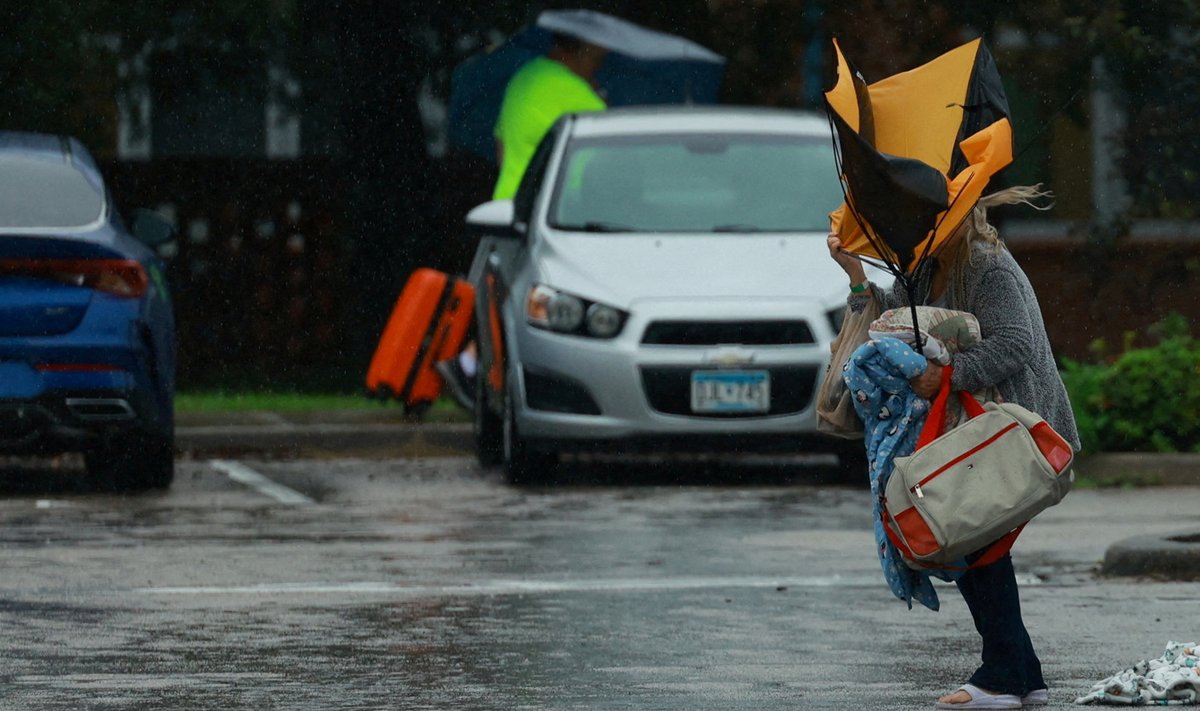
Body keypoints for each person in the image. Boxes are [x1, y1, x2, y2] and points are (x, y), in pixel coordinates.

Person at [827, 185, 1081, 710]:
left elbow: (1016, 344)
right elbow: (891, 323)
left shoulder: (989, 266)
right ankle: (1020, 673)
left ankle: (1002, 677)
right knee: (971, 536)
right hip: (968, 426)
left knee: (973, 538)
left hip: (1015, 426)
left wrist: (948, 372)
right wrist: (855, 274)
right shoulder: (919, 265)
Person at [437, 33, 609, 410]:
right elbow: (604, 162)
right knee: (541, 306)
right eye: (597, 54)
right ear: (580, 50)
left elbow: (500, 146)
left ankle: (472, 366)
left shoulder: (524, 78)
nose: (601, 60)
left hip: (506, 205)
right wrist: (597, 100)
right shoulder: (579, 97)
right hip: (552, 217)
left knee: (498, 297)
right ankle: (479, 369)